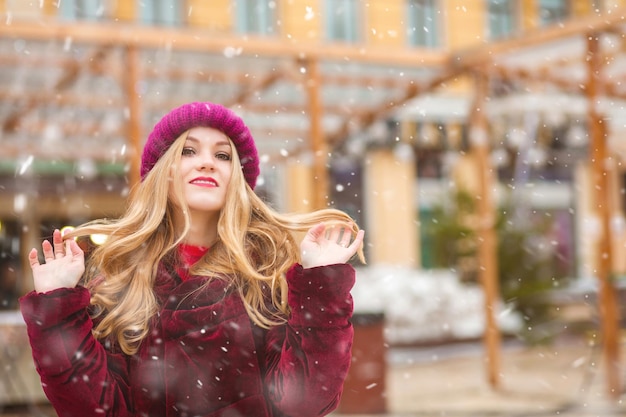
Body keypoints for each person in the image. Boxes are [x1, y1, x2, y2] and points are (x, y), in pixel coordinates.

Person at [19, 102, 365, 417]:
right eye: (188, 150)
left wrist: (322, 284)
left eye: (223, 155)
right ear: (164, 171)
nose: (207, 162)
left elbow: (303, 403)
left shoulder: (269, 279)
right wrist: (56, 311)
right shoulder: (117, 283)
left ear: (237, 181)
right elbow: (95, 408)